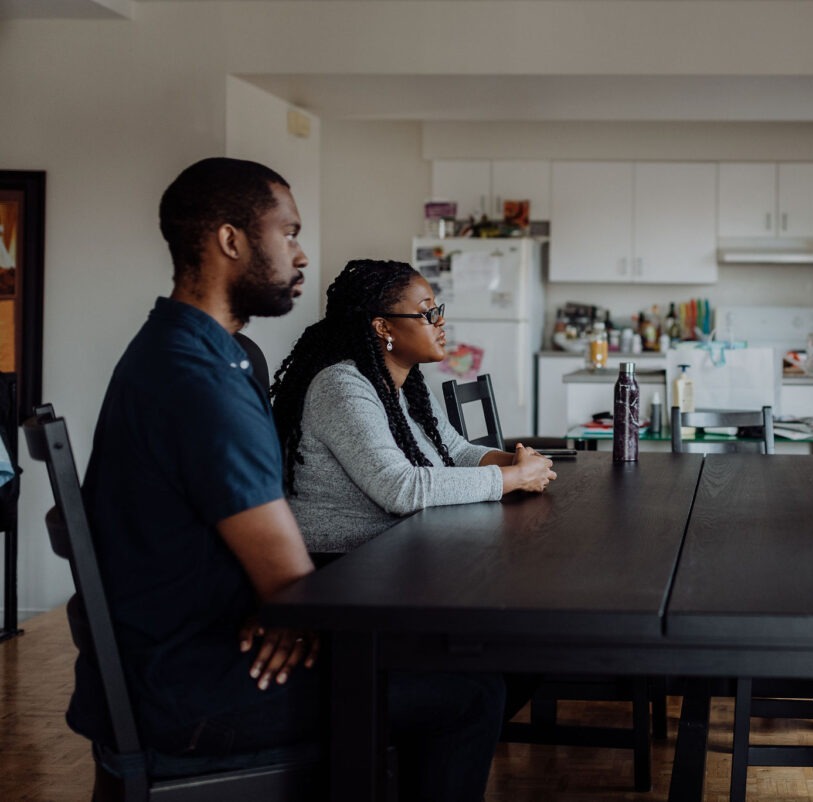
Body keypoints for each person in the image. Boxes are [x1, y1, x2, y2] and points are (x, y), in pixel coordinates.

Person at [81, 158, 504, 800]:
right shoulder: (202, 380)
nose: (302, 254)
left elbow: (278, 579)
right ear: (231, 241)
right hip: (192, 685)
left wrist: (282, 605)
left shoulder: (190, 351)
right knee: (470, 690)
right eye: (290, 232)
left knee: (447, 659)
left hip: (186, 652)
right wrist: (287, 608)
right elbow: (292, 586)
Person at [270, 259, 557, 554]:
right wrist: (515, 478)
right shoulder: (341, 387)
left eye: (438, 310)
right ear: (383, 327)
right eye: (427, 313)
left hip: (401, 548)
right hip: (345, 565)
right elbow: (400, 488)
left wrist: (514, 461)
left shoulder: (405, 384)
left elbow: (456, 451)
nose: (440, 321)